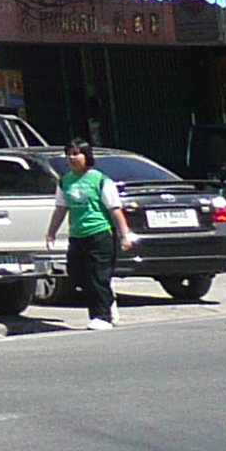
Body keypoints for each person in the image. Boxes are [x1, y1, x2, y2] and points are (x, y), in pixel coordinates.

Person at [46, 140, 132, 330]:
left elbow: (115, 210)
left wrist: (125, 235)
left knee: (97, 276)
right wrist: (51, 232)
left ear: (87, 156)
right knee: (77, 274)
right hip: (77, 235)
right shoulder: (65, 181)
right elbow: (61, 209)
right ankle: (109, 303)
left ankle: (101, 317)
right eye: (69, 154)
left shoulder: (101, 180)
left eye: (77, 153)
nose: (72, 158)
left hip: (100, 234)